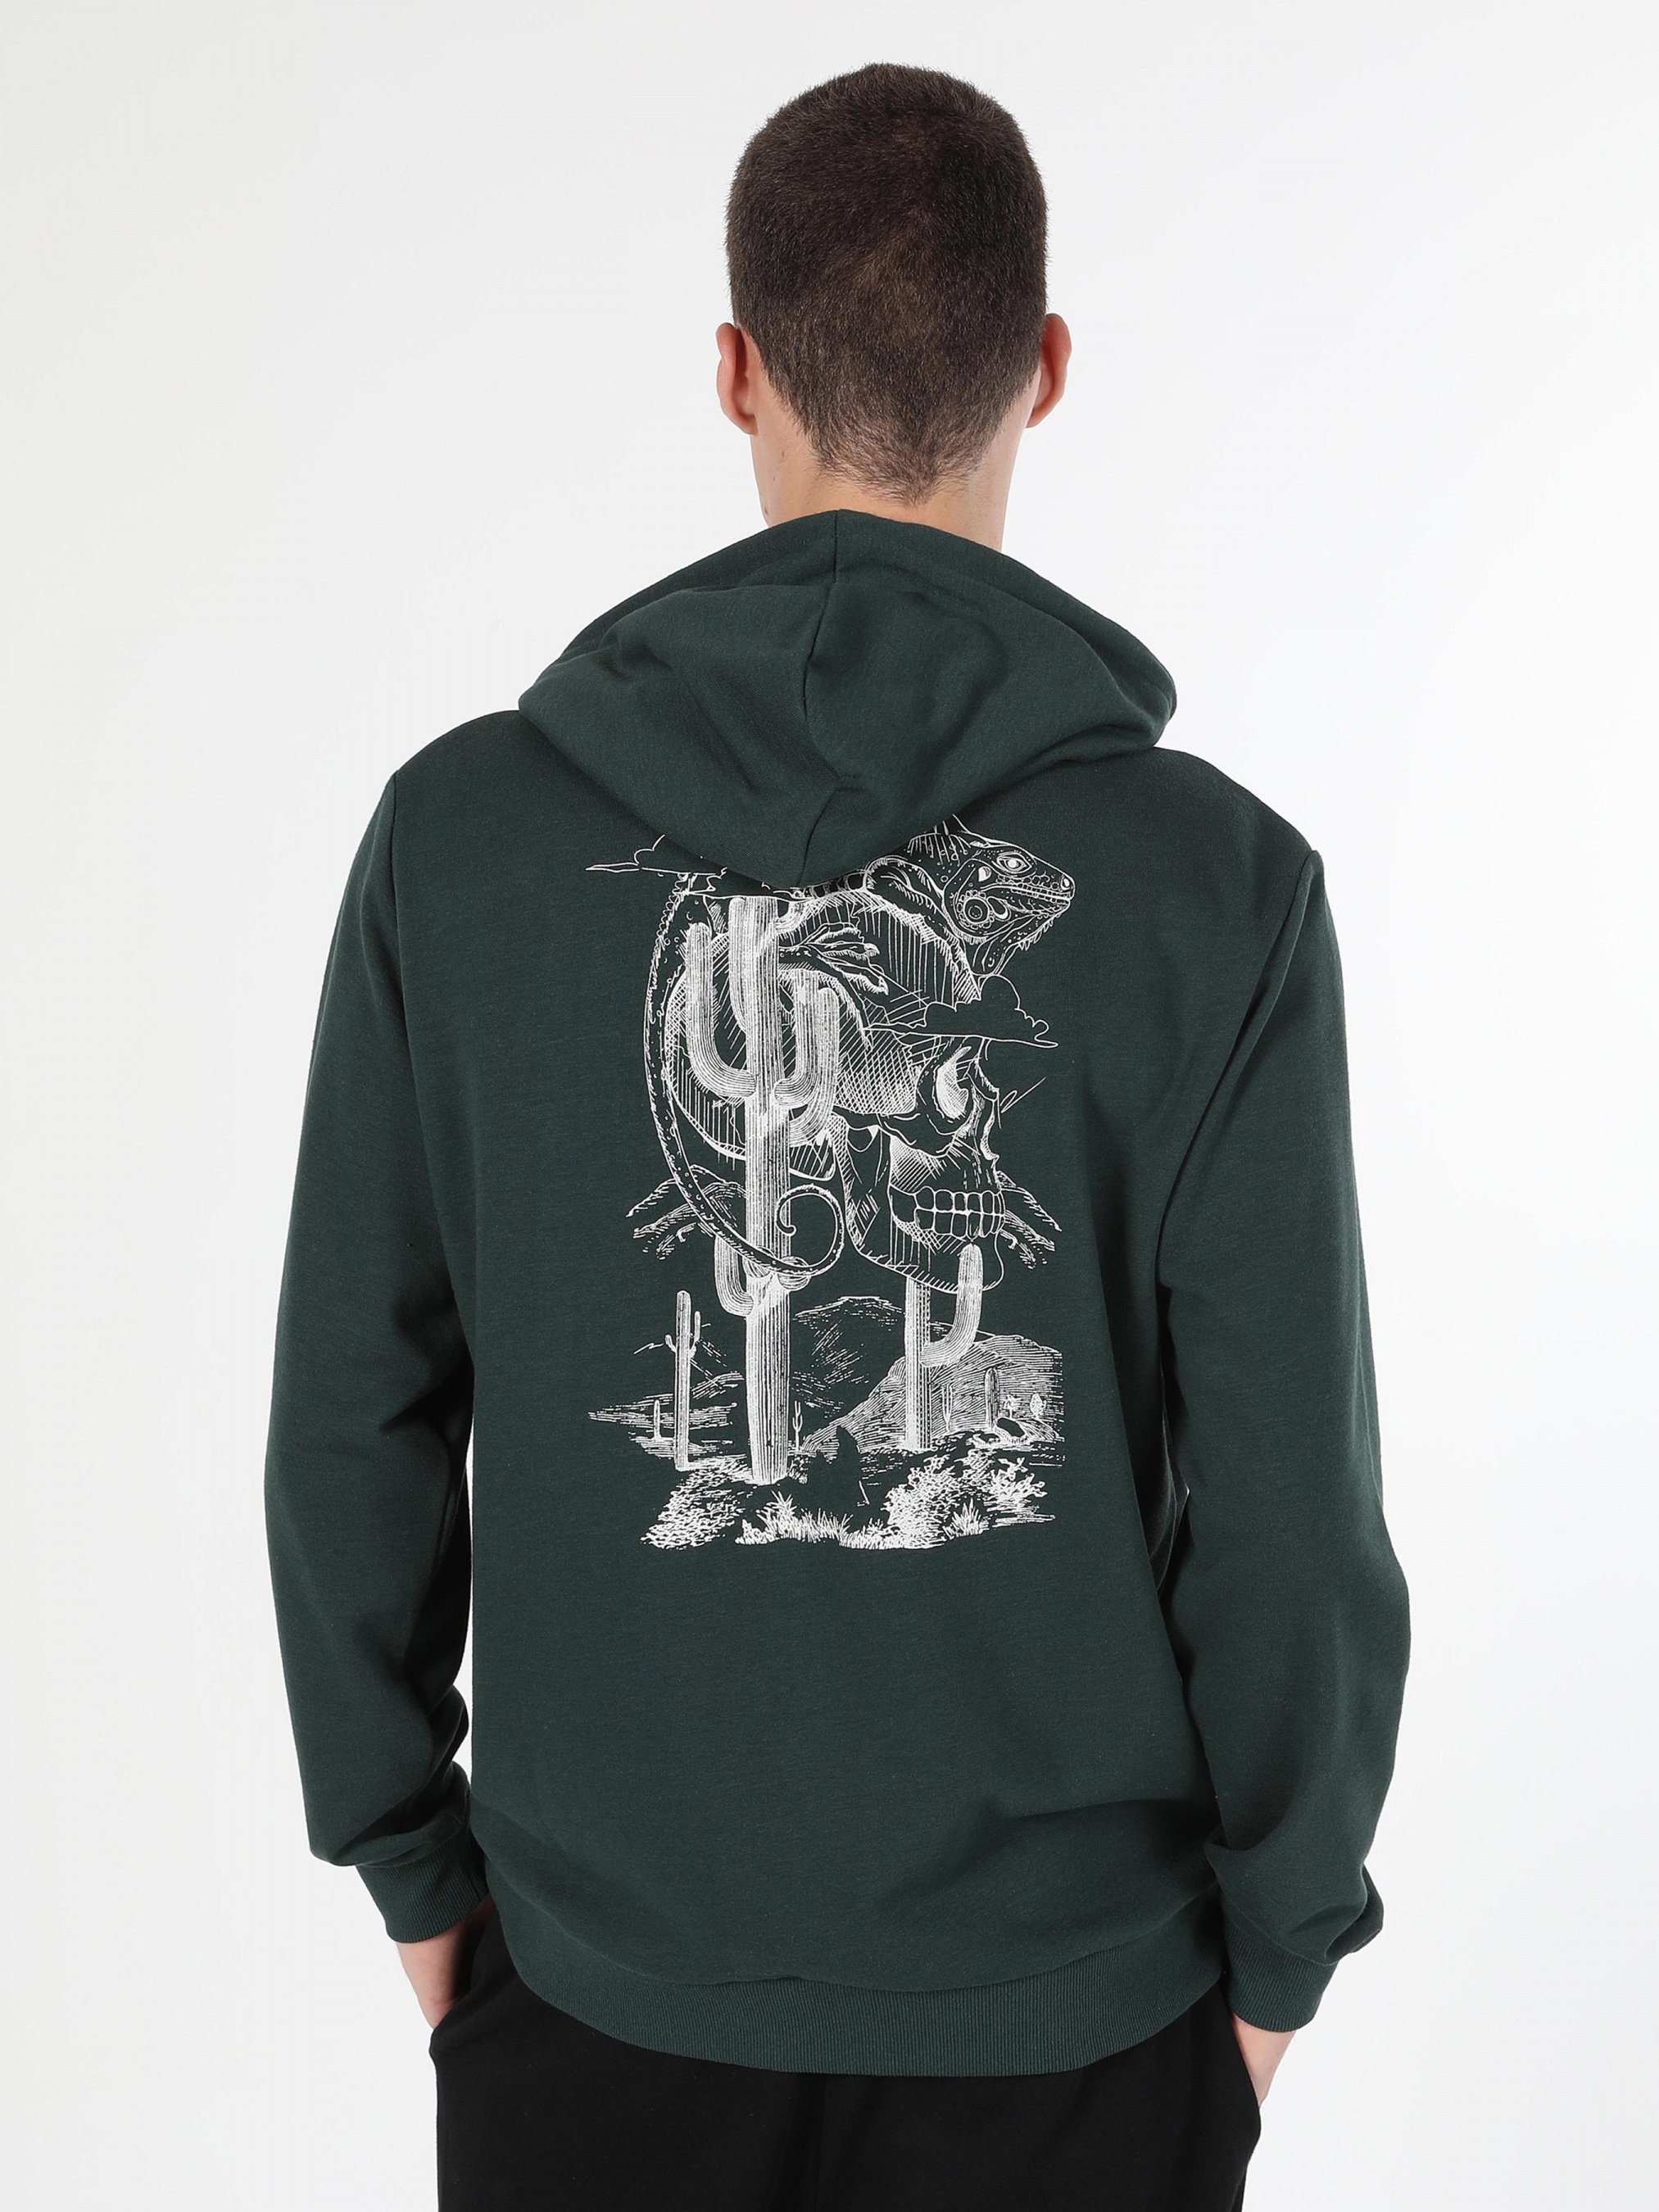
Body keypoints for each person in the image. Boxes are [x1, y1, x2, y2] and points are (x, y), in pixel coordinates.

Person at [265, 61, 1409, 2212]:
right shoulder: (1216, 888)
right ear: (1041, 365)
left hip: (590, 2005)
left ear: (735, 369)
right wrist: (1275, 1961)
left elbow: (353, 1412)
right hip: (1077, 2032)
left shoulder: (460, 840)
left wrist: (412, 1870)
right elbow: (1288, 1509)